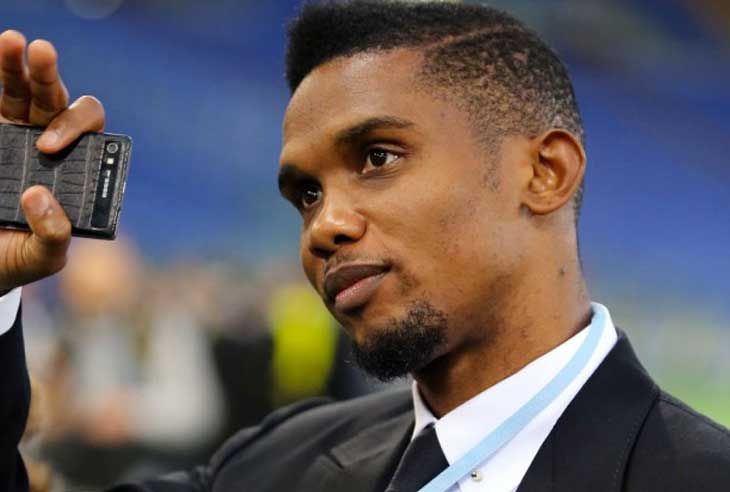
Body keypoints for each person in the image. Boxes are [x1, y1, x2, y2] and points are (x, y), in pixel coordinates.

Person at [1, 2, 729, 491]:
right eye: (305, 195)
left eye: (378, 157)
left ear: (545, 173)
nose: (324, 226)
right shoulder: (274, 465)